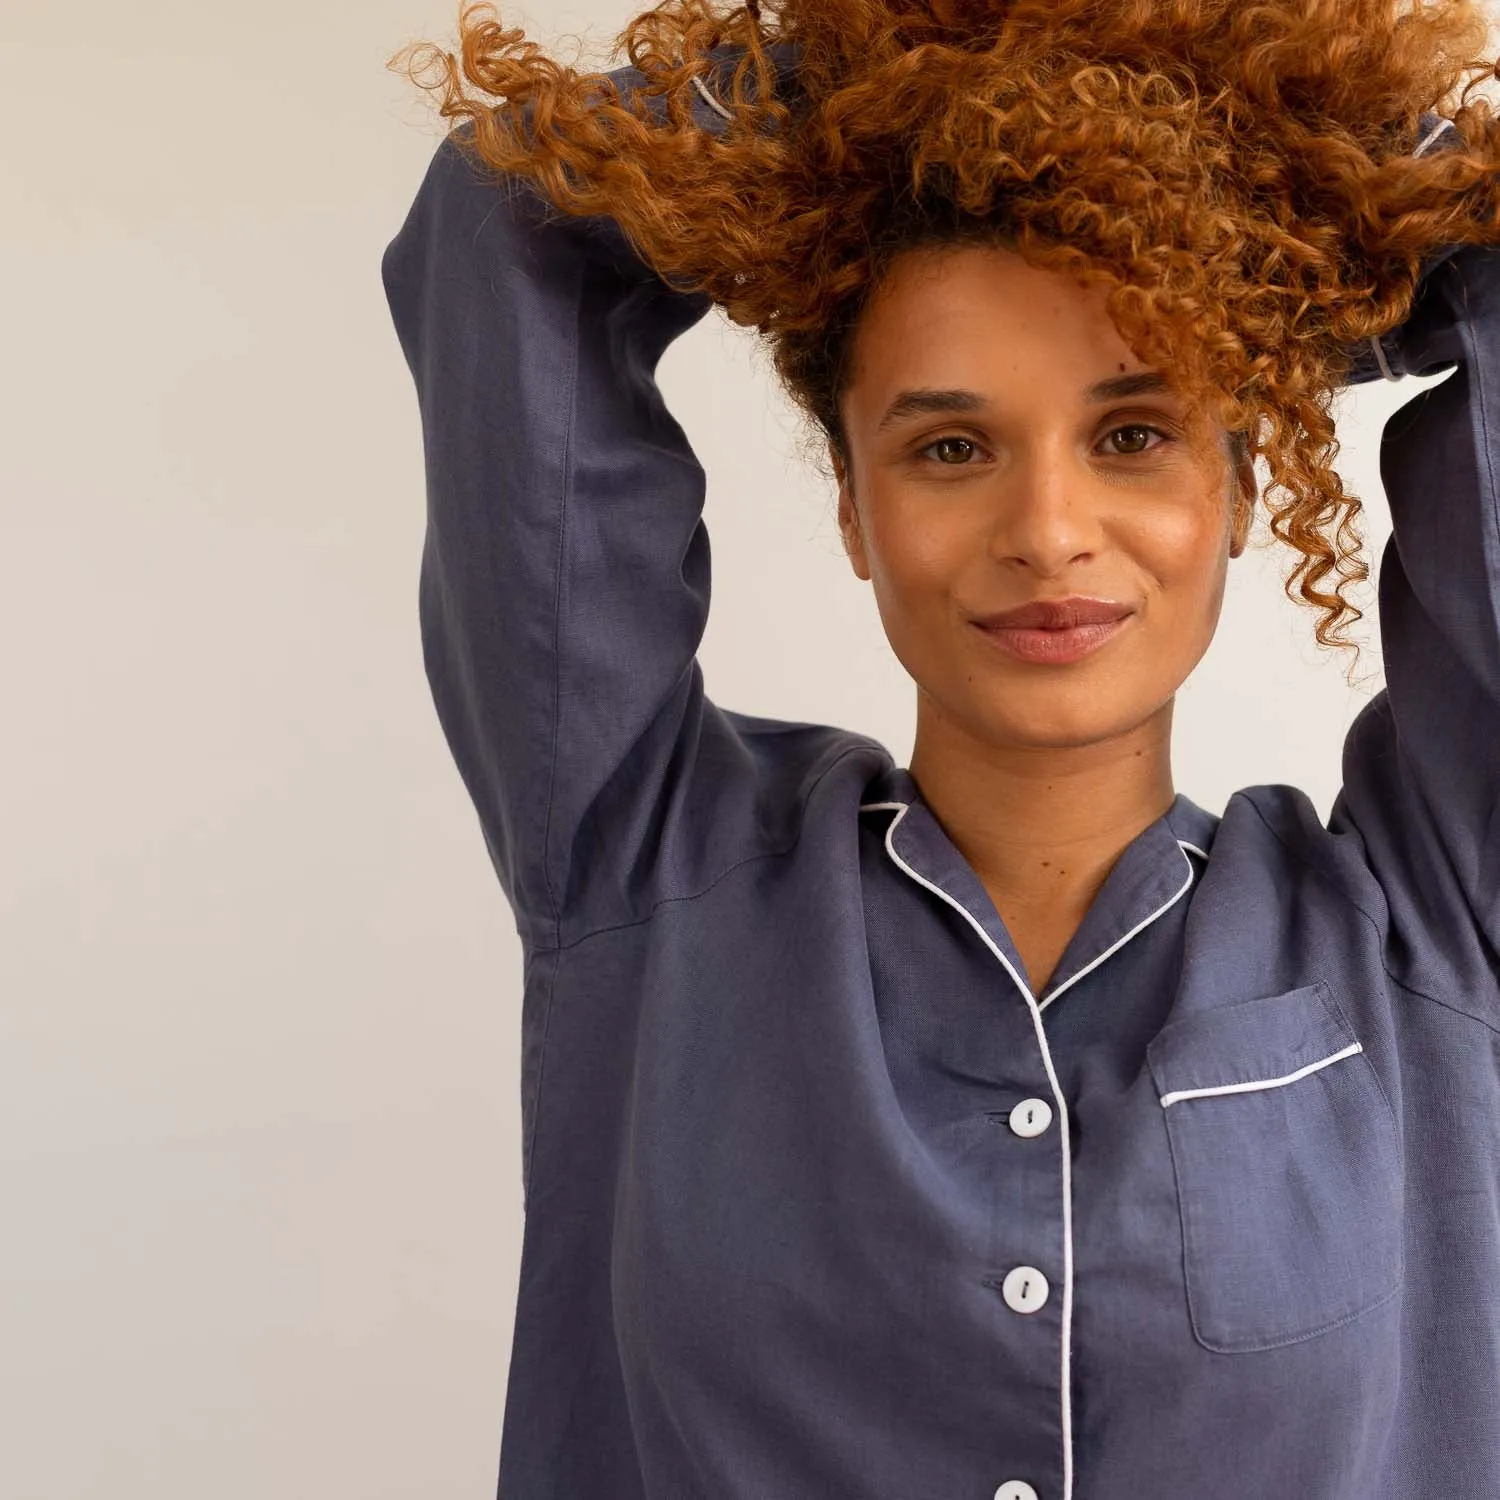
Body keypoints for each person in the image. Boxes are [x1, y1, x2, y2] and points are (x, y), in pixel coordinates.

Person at [381, 3, 1500, 1495]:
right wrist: (926, 46)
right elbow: (509, 222)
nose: (1046, 534)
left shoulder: (1429, 927)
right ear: (852, 504)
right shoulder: (648, 875)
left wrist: (1249, 184)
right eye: (950, 447)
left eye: (1136, 432)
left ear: (1242, 484)